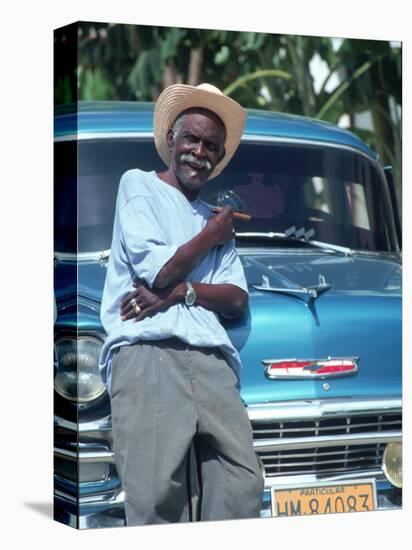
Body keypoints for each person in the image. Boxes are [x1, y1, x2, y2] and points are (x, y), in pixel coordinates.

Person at [99, 83, 264, 526]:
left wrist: (180, 293)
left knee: (242, 484)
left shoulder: (215, 217)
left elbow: (236, 298)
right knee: (155, 498)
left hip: (212, 359)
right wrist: (209, 239)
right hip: (148, 351)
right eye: (191, 138)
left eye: (211, 145)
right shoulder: (138, 186)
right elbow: (156, 272)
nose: (199, 152)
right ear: (171, 138)